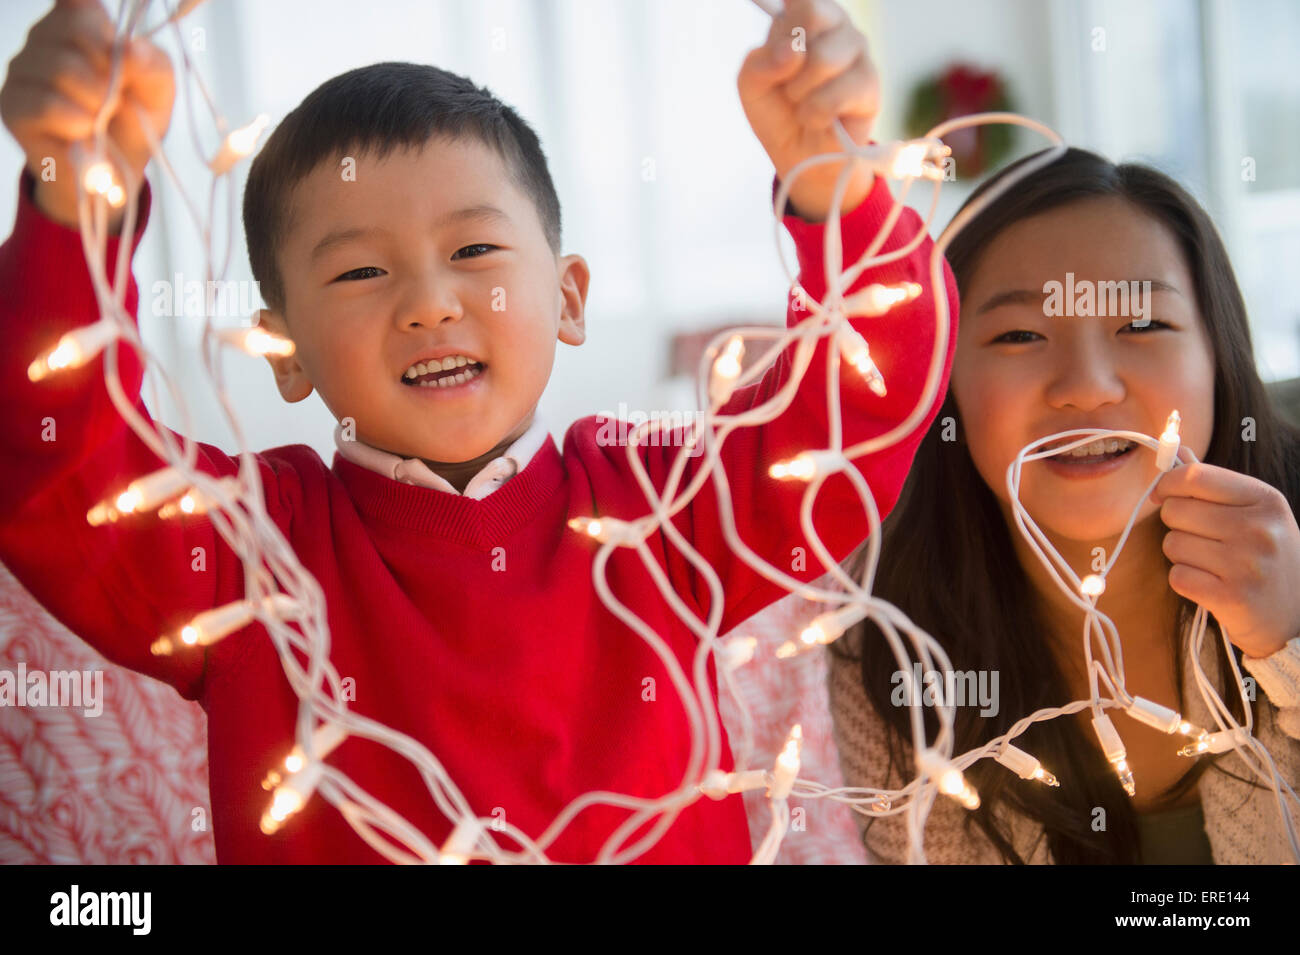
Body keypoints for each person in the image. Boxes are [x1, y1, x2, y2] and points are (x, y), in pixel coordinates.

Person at [0, 0, 957, 862]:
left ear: (568, 298)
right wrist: (75, 208)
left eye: (473, 250)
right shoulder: (253, 557)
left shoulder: (662, 508)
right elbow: (58, 466)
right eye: (360, 273)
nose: (429, 303)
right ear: (282, 352)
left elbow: (859, 402)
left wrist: (835, 184)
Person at [829, 145, 1300, 864]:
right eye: (1020, 335)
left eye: (1141, 326)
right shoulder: (888, 628)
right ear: (945, 376)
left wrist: (1289, 647)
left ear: (1219, 353)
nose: (1086, 387)